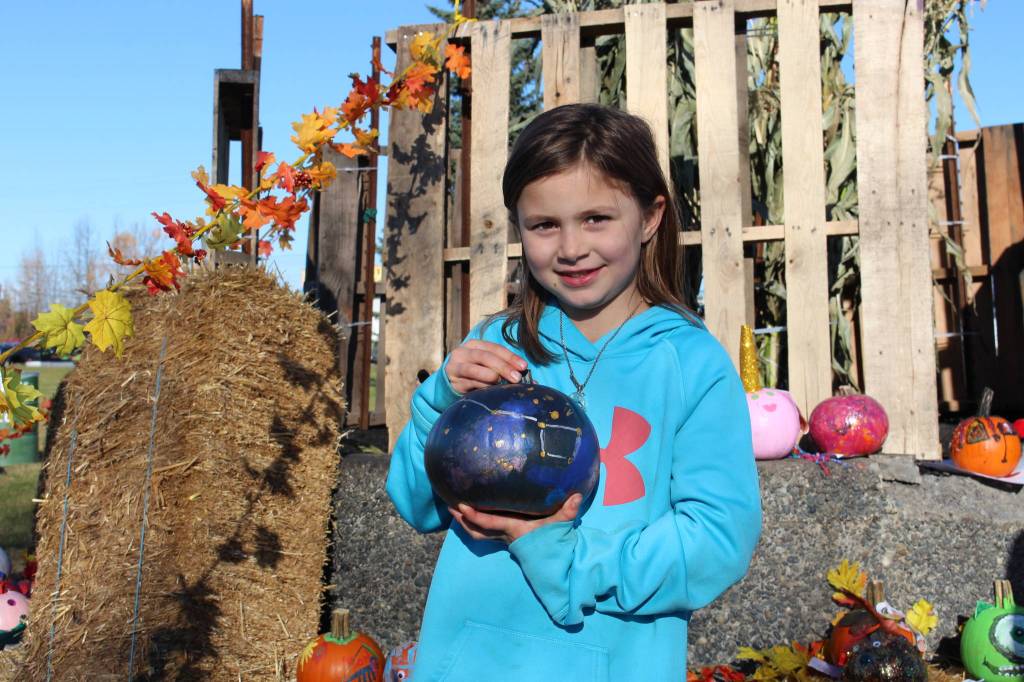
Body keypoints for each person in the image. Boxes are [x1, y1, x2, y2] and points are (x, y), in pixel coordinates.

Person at [386, 103, 761, 681]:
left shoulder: (691, 363)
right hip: (468, 662)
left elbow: (717, 538)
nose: (570, 248)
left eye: (596, 219)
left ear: (650, 216)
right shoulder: (496, 346)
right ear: (519, 229)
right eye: (544, 225)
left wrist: (568, 559)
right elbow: (416, 504)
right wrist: (439, 401)